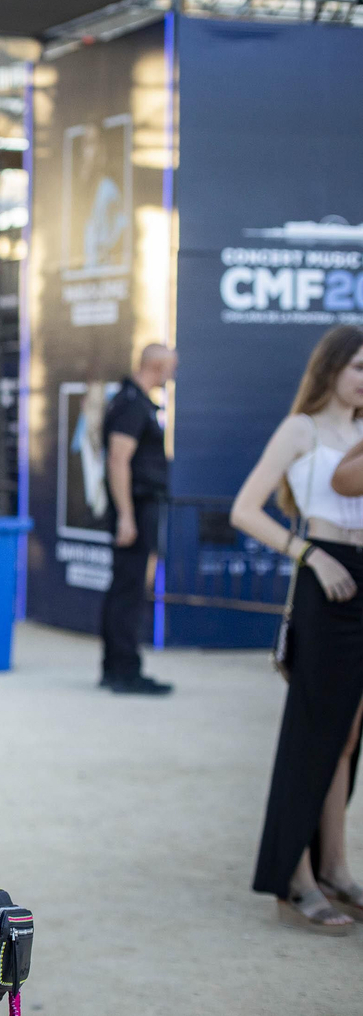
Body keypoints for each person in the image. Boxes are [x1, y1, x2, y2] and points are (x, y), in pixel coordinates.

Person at [233, 324, 363, 935]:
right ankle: (297, 875)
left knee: (347, 737)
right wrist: (309, 554)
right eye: (359, 366)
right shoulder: (302, 430)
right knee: (315, 731)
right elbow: (244, 508)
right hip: (325, 578)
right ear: (332, 368)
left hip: (362, 576)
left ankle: (335, 866)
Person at [98, 343, 178, 695]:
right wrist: (127, 517)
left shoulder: (136, 400)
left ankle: (117, 668)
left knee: (126, 588)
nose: (172, 375)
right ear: (157, 366)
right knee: (128, 590)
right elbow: (118, 459)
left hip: (138, 507)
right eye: (171, 368)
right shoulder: (133, 403)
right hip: (134, 508)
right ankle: (123, 671)